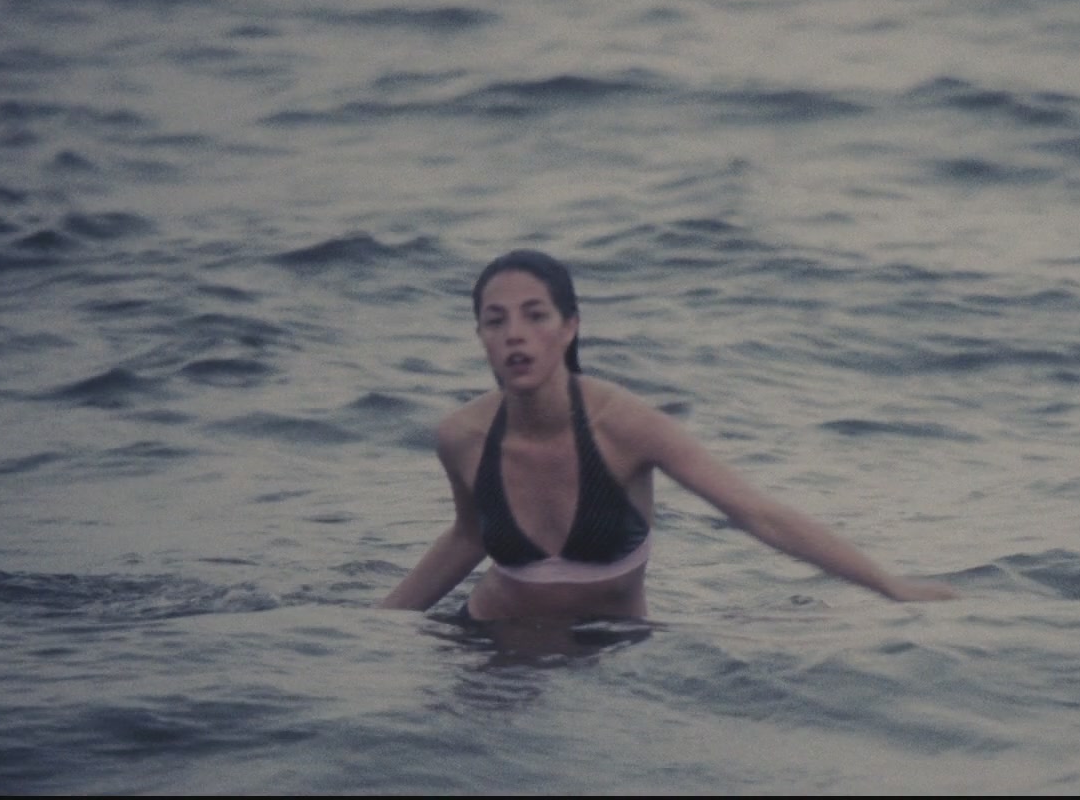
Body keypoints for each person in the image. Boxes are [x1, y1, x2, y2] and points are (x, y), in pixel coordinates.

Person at [380, 250, 958, 622]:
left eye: (536, 315)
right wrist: (371, 629)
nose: (515, 334)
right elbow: (469, 536)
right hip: (488, 651)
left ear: (570, 326)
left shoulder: (626, 427)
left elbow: (757, 513)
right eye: (496, 320)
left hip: (608, 657)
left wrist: (890, 586)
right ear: (480, 336)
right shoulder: (462, 437)